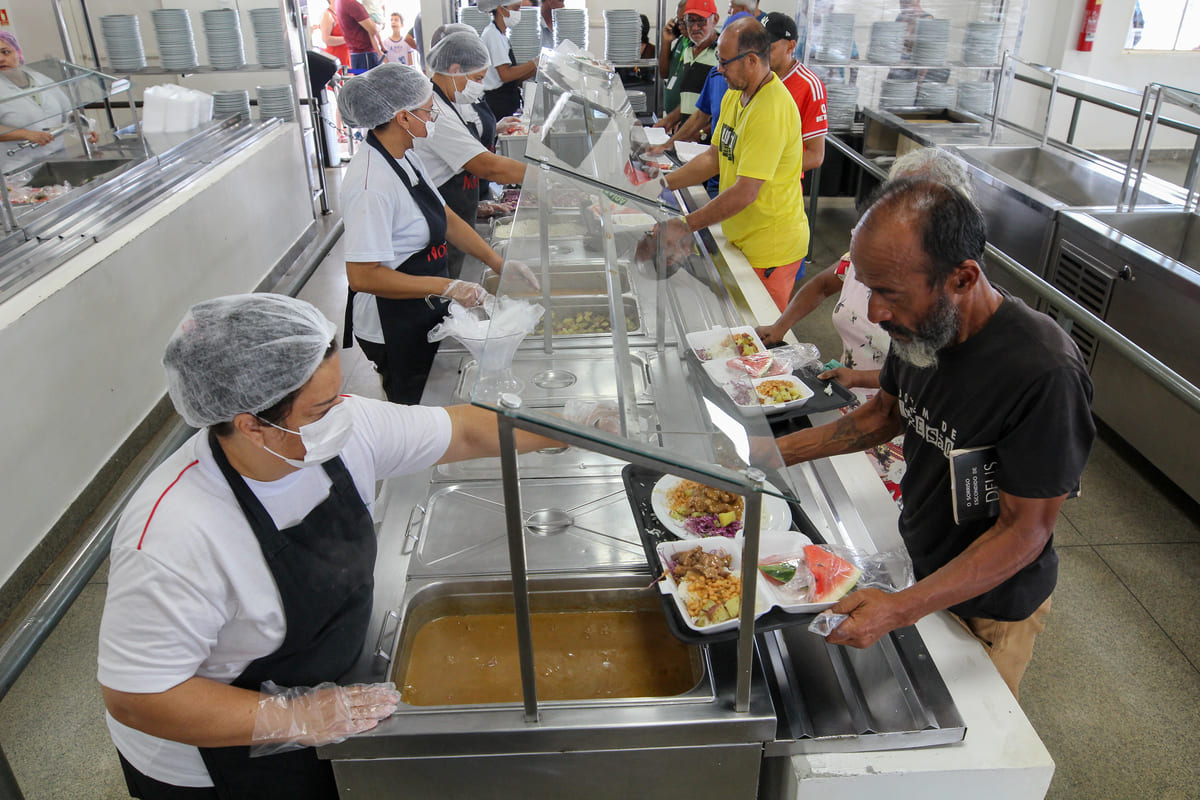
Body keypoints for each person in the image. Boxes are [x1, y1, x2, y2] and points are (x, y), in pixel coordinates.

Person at [97, 293, 561, 799]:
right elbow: (138, 696)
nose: (345, 412)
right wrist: (294, 716)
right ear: (252, 425)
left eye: (338, 394)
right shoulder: (174, 534)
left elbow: (466, 432)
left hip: (317, 706)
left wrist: (575, 428)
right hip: (212, 761)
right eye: (322, 407)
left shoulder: (340, 429)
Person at [775, 179, 1095, 698]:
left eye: (890, 294)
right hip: (919, 565)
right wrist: (765, 454)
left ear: (962, 278)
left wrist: (901, 608)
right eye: (869, 288)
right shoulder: (922, 328)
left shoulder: (1043, 373)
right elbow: (884, 416)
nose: (876, 312)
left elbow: (1023, 532)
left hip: (988, 606)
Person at [337, 64, 514, 404]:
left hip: (424, 305)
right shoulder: (370, 184)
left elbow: (443, 216)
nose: (434, 113)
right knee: (415, 405)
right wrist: (446, 286)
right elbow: (362, 276)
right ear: (403, 118)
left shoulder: (405, 156)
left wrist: (496, 262)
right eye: (427, 108)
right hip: (392, 324)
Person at [661, 18, 808, 311]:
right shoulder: (734, 95)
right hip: (741, 237)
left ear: (752, 60)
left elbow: (745, 192)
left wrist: (685, 225)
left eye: (725, 62)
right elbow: (713, 157)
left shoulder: (771, 110)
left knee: (757, 334)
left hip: (771, 249)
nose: (719, 69)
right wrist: (663, 183)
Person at [415, 32, 529, 278]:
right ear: (455, 69)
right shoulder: (436, 112)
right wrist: (544, 178)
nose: (479, 85)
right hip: (438, 230)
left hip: (453, 218)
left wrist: (474, 207)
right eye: (477, 78)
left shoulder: (446, 103)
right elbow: (487, 167)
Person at [0, 31, 98, 173]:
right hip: (19, 168)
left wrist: (83, 127)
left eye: (6, 52)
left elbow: (67, 111)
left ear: (18, 52)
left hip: (58, 159)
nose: (1, 59)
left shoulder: (41, 79)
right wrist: (27, 134)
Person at [762, 12, 826, 174]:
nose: (761, 53)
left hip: (779, 188)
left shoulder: (809, 86)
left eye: (770, 47)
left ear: (790, 46)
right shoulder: (757, 76)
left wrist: (763, 169)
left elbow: (815, 155)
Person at [654, 0, 720, 140]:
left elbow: (726, 110)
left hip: (708, 144)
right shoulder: (689, 51)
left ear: (715, 20)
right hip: (686, 141)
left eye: (701, 21)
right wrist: (669, 120)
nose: (695, 28)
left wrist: (700, 133)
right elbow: (690, 101)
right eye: (690, 21)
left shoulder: (722, 54)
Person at [479, 0, 538, 120]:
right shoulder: (492, 35)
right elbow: (505, 75)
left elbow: (513, 78)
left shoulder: (500, 35)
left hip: (505, 101)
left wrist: (536, 69)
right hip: (497, 104)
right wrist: (533, 63)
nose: (518, 13)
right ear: (501, 9)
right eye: (515, 9)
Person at [658, 0, 690, 124]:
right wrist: (666, 41)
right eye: (679, 21)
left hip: (686, 121)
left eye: (684, 21)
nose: (681, 26)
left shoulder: (700, 47)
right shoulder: (681, 41)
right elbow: (664, 73)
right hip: (672, 120)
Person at [337, 0, 382, 71]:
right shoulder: (351, 3)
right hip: (365, 54)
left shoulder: (340, 2)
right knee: (369, 81)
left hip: (357, 54)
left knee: (362, 80)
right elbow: (373, 29)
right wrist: (381, 25)